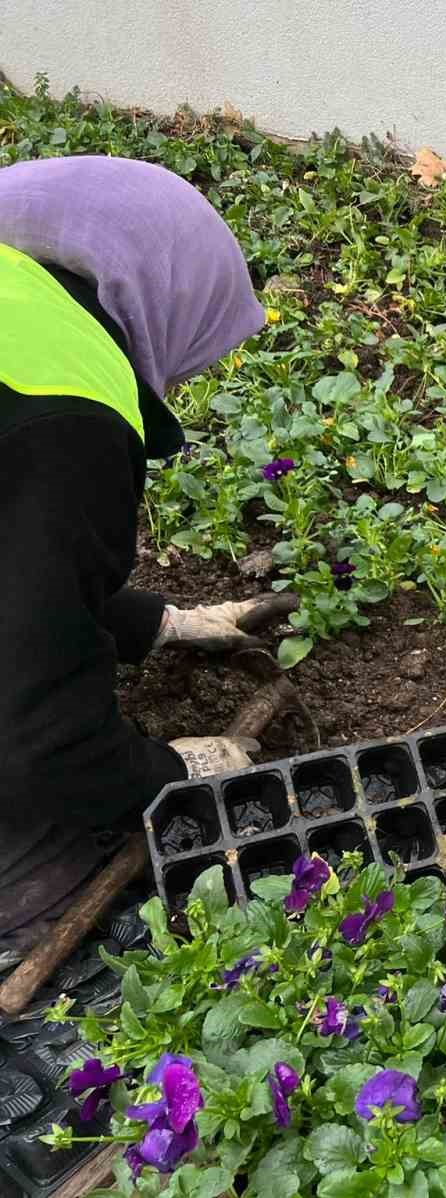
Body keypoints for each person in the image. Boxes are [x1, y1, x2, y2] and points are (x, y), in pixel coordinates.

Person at [0, 156, 288, 936]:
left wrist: (150, 623)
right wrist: (164, 774)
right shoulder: (69, 412)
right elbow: (34, 740)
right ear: (160, 293)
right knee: (44, 844)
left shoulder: (14, 289)